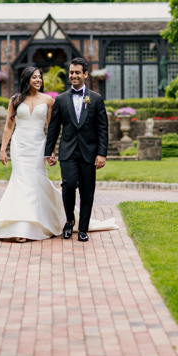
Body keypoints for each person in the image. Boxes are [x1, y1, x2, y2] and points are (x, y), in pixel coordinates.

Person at [0, 67, 65, 241]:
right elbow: (9, 126)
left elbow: (51, 128)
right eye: (34, 77)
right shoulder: (15, 99)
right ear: (27, 79)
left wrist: (52, 152)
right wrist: (3, 149)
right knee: (21, 180)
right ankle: (21, 226)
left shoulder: (48, 100)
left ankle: (44, 219)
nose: (38, 80)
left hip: (38, 145)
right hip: (19, 145)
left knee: (37, 180)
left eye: (40, 77)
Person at [44, 58, 114, 242]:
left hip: (89, 153)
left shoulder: (96, 99)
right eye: (71, 72)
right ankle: (69, 221)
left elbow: (102, 128)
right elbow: (54, 128)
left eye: (77, 72)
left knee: (87, 190)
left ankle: (83, 228)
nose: (73, 75)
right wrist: (48, 151)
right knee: (67, 185)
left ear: (85, 74)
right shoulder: (60, 99)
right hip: (67, 151)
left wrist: (101, 153)